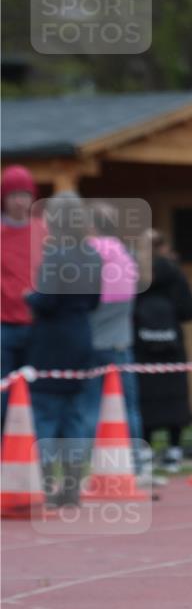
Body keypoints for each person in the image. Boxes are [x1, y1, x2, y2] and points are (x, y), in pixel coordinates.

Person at [25, 192, 101, 507]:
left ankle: (44, 488)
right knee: (75, 417)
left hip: (51, 341)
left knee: (44, 415)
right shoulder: (92, 256)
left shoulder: (55, 256)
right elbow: (95, 301)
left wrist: (28, 296)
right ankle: (70, 489)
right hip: (81, 336)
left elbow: (46, 301)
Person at [82, 202, 143, 469]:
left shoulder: (87, 254)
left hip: (92, 340)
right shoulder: (127, 255)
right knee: (128, 406)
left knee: (90, 407)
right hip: (121, 341)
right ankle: (136, 463)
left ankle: (88, 464)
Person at [133, 230, 192, 473]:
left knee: (144, 396)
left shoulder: (133, 274)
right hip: (172, 348)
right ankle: (174, 450)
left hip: (140, 347)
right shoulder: (174, 272)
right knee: (175, 396)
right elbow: (189, 310)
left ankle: (144, 449)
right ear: (163, 247)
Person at [1, 165, 45, 427]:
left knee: (35, 387)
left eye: (25, 195)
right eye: (13, 195)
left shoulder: (43, 230)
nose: (20, 201)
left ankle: (29, 445)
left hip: (36, 324)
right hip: (3, 323)